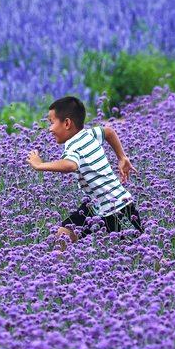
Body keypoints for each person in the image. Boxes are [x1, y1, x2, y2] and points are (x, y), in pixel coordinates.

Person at [26, 96, 143, 247]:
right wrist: (121, 157)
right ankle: (60, 269)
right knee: (64, 235)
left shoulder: (73, 146)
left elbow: (70, 165)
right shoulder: (89, 134)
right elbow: (108, 132)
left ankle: (163, 268)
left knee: (140, 251)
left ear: (67, 123)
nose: (50, 129)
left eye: (52, 123)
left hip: (118, 208)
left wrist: (40, 165)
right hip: (95, 206)